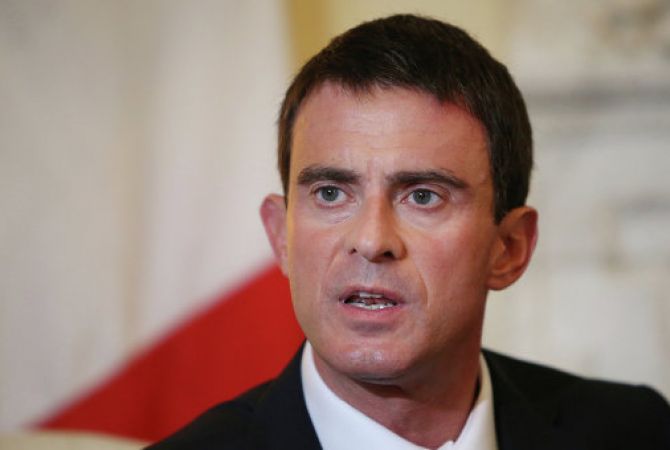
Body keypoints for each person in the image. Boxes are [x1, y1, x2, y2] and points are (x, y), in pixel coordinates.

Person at [148, 14, 670, 450]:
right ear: (281, 236)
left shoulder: (637, 432)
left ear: (508, 248)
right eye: (330, 193)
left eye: (423, 196)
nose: (372, 240)